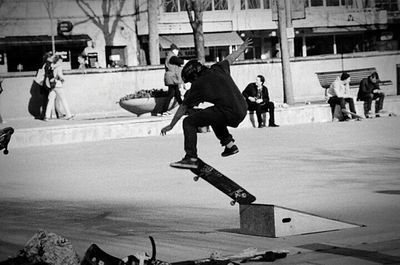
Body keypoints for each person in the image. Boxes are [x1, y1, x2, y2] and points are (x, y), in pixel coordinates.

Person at [160, 38, 252, 169]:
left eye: (191, 81)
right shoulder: (219, 68)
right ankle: (230, 146)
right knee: (213, 115)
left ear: (193, 77)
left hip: (229, 112)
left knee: (188, 122)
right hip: (242, 109)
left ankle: (191, 157)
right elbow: (230, 58)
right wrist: (242, 48)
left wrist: (171, 125)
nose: (191, 84)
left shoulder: (199, 84)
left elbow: (183, 107)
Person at [44, 55, 74, 121]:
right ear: (59, 60)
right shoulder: (59, 66)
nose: (62, 61)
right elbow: (60, 75)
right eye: (61, 60)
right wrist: (63, 79)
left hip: (52, 85)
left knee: (51, 100)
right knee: (63, 99)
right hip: (58, 84)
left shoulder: (51, 66)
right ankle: (69, 115)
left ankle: (47, 116)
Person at [162, 44, 184, 115]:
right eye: (177, 50)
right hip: (172, 78)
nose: (178, 52)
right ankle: (163, 111)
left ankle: (184, 109)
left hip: (172, 78)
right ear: (174, 50)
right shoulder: (172, 57)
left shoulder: (170, 56)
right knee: (171, 94)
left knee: (177, 94)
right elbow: (180, 61)